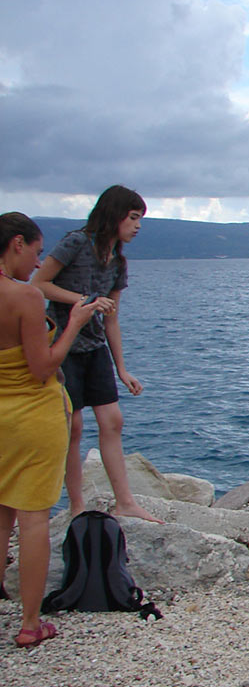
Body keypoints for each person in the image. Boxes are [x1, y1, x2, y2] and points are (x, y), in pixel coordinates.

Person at [0, 213, 102, 646]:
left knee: (0, 515)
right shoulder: (23, 296)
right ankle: (29, 623)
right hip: (31, 415)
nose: (38, 263)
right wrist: (74, 324)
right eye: (37, 252)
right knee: (32, 518)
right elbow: (42, 367)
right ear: (17, 243)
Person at [31, 185, 160, 523]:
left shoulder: (118, 261)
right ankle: (76, 505)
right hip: (64, 346)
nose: (138, 226)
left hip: (95, 346)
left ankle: (125, 501)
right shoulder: (76, 243)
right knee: (73, 427)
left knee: (112, 421)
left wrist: (122, 369)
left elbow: (112, 319)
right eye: (133, 218)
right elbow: (39, 284)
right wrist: (83, 301)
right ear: (114, 215)